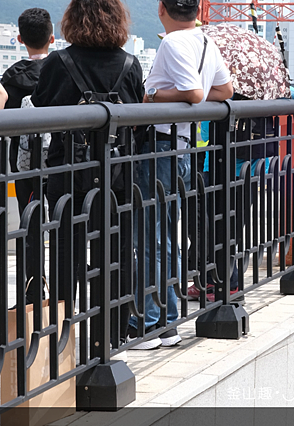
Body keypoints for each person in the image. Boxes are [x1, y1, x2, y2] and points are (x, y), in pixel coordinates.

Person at [31, 0, 144, 346]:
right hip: (117, 177)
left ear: (72, 21)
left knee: (66, 256)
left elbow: (40, 104)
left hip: (68, 175)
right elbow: (137, 116)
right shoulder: (130, 64)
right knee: (117, 255)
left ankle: (63, 340)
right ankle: (110, 337)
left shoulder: (58, 63)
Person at [129, 0, 233, 349]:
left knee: (149, 239)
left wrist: (153, 95)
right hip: (184, 148)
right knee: (166, 237)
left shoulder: (172, 42)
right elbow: (224, 92)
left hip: (160, 146)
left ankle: (150, 323)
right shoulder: (205, 41)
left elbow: (193, 93)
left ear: (162, 9)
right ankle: (168, 321)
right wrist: (190, 98)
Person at [1, 8, 54, 304]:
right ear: (52, 36)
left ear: (20, 38)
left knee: (29, 221)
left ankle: (33, 286)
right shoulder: (60, 70)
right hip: (60, 157)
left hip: (24, 164)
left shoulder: (12, 76)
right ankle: (63, 285)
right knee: (63, 215)